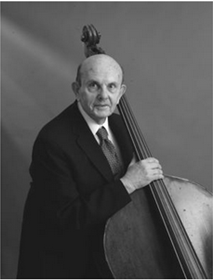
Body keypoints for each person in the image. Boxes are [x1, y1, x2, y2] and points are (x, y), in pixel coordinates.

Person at [17, 54, 164, 279]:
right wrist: (129, 183)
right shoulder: (52, 141)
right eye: (93, 85)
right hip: (67, 263)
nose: (104, 96)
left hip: (113, 252)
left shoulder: (121, 126)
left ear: (121, 92)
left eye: (111, 86)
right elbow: (68, 217)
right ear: (77, 89)